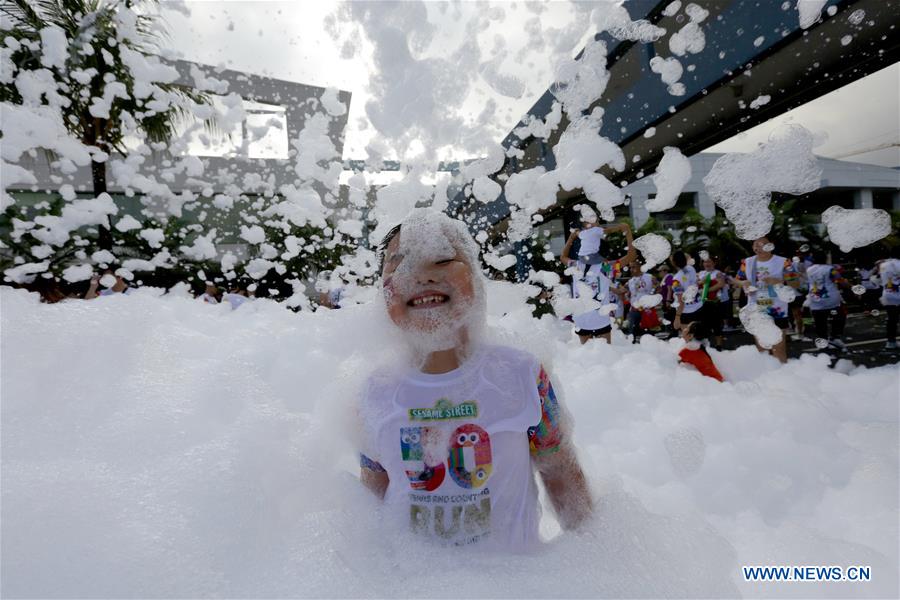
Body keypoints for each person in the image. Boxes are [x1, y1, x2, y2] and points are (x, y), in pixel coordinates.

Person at [357, 209, 592, 550]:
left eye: (442, 260)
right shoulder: (373, 391)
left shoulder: (522, 375)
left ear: (477, 280)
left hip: (513, 581)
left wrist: (591, 559)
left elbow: (561, 473)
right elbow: (370, 502)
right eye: (400, 263)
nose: (422, 275)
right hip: (413, 582)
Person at [560, 220, 633, 344]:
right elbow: (631, 256)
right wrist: (628, 232)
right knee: (605, 357)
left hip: (581, 319)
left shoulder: (575, 266)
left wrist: (571, 238)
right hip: (600, 319)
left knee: (586, 357)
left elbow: (562, 257)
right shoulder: (605, 267)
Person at [735, 236, 798, 363]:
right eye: (755, 245)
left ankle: (783, 378)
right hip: (756, 310)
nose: (759, 247)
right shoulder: (747, 262)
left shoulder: (784, 262)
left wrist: (779, 281)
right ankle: (768, 379)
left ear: (770, 246)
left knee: (779, 348)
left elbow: (795, 283)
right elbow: (737, 280)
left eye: (762, 244)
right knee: (762, 350)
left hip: (778, 310)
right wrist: (743, 284)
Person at [805, 249, 848, 349]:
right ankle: (835, 336)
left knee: (820, 322)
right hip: (831, 299)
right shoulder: (830, 269)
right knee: (840, 315)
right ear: (825, 258)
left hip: (815, 299)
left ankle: (823, 342)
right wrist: (849, 285)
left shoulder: (809, 270)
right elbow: (840, 280)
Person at [696, 255, 727, 350]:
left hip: (715, 303)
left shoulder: (718, 273)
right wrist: (701, 284)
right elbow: (695, 284)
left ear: (714, 263)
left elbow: (721, 284)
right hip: (702, 304)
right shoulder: (700, 273)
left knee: (717, 325)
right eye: (705, 262)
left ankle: (719, 346)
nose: (707, 264)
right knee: (704, 325)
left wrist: (706, 290)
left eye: (709, 261)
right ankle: (705, 346)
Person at [670, 250, 703, 332]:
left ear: (674, 262)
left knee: (688, 338)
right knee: (698, 335)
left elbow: (681, 300)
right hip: (698, 306)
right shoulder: (691, 268)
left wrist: (677, 317)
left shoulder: (676, 280)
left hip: (687, 311)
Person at [625, 262, 656, 342]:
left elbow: (658, 288)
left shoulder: (649, 277)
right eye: (630, 267)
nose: (631, 270)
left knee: (648, 331)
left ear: (640, 267)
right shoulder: (630, 281)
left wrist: (652, 296)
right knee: (632, 332)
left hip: (646, 308)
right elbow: (629, 294)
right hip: (634, 309)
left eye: (634, 267)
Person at [877, 253, 900, 350]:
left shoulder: (883, 265)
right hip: (898, 293)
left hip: (887, 295)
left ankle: (891, 342)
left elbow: (880, 277)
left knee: (892, 319)